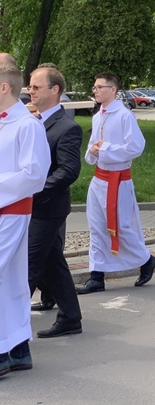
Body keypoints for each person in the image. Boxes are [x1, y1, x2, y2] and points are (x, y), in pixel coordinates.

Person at [77, 72, 155, 294]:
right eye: (94, 87)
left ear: (112, 90)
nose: (95, 91)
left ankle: (146, 259)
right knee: (96, 227)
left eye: (99, 87)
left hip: (118, 180)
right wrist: (92, 151)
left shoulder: (124, 116)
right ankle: (96, 276)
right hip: (98, 178)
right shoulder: (97, 116)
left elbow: (135, 148)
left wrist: (105, 149)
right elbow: (93, 148)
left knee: (121, 226)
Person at [0, 64, 50, 377]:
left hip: (12, 211)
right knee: (10, 283)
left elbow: (35, 174)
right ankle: (17, 349)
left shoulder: (27, 126)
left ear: (4, 88)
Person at [27, 64, 84, 338]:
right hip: (30, 207)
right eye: (30, 86)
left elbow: (69, 170)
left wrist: (34, 190)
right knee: (52, 262)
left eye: (36, 87)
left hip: (47, 209)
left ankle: (10, 329)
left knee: (28, 265)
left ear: (55, 90)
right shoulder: (33, 121)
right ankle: (71, 317)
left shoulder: (66, 127)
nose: (30, 91)